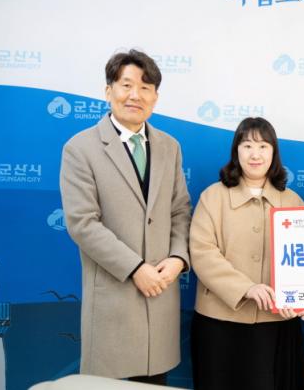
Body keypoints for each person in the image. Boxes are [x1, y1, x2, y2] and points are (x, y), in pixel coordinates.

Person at [59, 49, 191, 384]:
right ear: (109, 91)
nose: (135, 95)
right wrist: (135, 268)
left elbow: (179, 210)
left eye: (146, 87)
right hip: (114, 304)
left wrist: (178, 258)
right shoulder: (81, 148)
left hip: (160, 300)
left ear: (155, 97)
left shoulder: (169, 147)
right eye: (127, 85)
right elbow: (82, 223)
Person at [189, 117, 304, 390]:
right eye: (247, 145)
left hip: (277, 322)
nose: (255, 154)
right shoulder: (213, 196)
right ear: (236, 151)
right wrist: (246, 288)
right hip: (219, 322)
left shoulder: (292, 201)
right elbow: (202, 252)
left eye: (263, 146)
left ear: (274, 152)